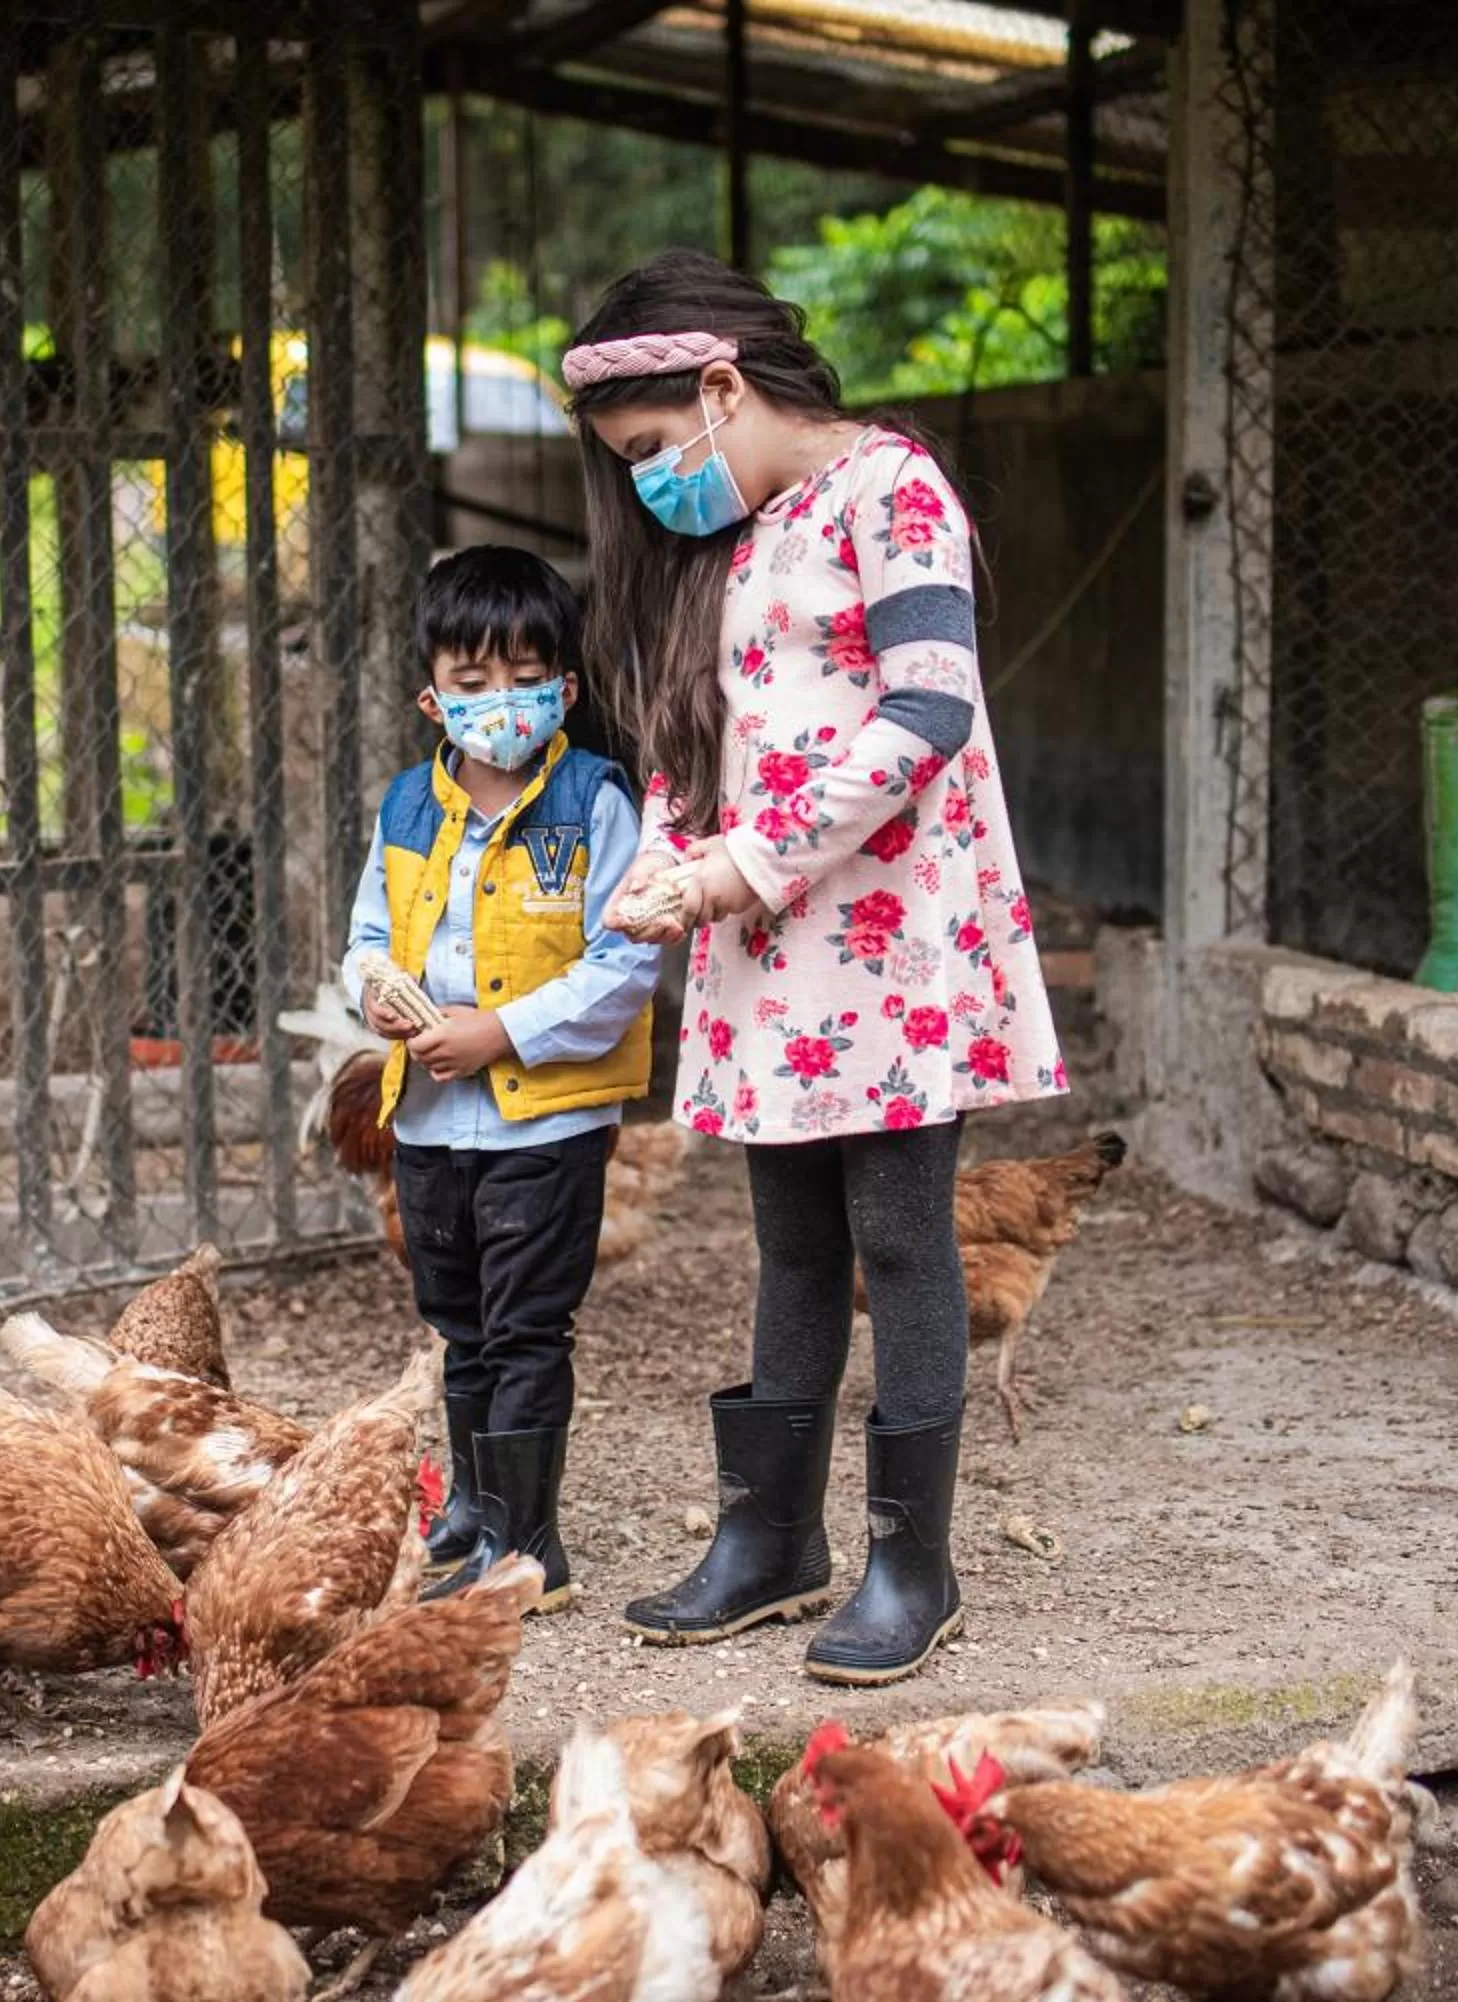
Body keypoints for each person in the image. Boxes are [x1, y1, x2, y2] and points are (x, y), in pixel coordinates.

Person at [567, 248, 1064, 1686]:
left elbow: (928, 710)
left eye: (656, 451)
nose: (654, 484)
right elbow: (699, 726)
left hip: (893, 939)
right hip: (769, 948)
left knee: (902, 1241)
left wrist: (741, 865)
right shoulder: (743, 532)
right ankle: (769, 1537)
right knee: (789, 1244)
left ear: (722, 387)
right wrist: (671, 850)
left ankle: (915, 1558)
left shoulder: (890, 489)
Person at [344, 544, 664, 1615]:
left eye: (526, 677)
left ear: (564, 689)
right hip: (433, 1121)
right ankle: (479, 1510)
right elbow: (370, 935)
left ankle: (530, 1549)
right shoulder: (406, 808)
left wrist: (504, 1032)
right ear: (431, 697)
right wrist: (375, 992)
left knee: (528, 1326)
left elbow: (627, 962)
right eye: (473, 684)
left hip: (545, 1125)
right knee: (462, 1322)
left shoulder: (594, 803)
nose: (501, 703)